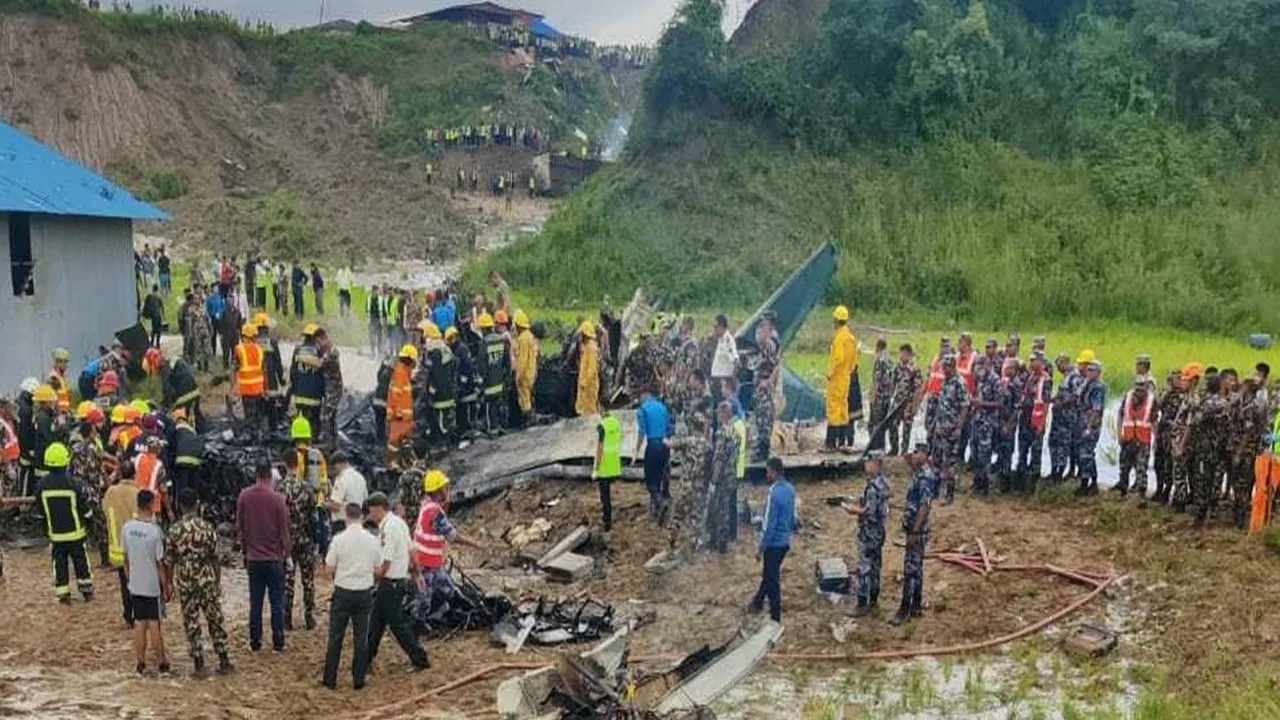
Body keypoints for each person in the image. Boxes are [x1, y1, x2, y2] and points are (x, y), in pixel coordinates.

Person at [166, 489, 232, 675]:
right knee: (215, 619)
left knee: (191, 621)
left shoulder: (174, 530)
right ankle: (224, 659)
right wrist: (217, 582)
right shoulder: (207, 528)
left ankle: (199, 662)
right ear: (196, 504)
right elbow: (215, 558)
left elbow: (169, 561)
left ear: (179, 506)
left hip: (186, 581)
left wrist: (169, 583)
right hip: (206, 579)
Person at [366, 491, 431, 672]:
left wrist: (371, 574)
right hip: (396, 581)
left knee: (397, 626)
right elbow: (412, 551)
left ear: (379, 509)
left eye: (372, 511)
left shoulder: (389, 529)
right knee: (376, 622)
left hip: (390, 582)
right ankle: (365, 660)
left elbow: (386, 562)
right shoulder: (399, 523)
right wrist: (417, 574)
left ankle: (420, 659)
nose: (371, 516)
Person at [322, 502, 380, 690]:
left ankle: (330, 679)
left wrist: (339, 574)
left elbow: (328, 568)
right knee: (361, 637)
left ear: (347, 517)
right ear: (362, 517)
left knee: (336, 636)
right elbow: (378, 569)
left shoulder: (339, 539)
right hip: (364, 592)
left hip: (343, 591)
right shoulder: (372, 540)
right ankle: (358, 679)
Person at [236, 460, 290, 653]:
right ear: (270, 476)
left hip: (254, 558)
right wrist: (287, 555)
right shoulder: (278, 499)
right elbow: (284, 532)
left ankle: (255, 642)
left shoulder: (244, 496)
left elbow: (240, 528)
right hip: (274, 559)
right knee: (277, 602)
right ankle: (278, 641)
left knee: (255, 602)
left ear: (256, 474)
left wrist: (245, 551)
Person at [37, 442, 94, 603]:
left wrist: (46, 531)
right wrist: (89, 523)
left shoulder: (41, 486)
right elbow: (84, 508)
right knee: (81, 562)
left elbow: (41, 513)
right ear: (65, 461)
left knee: (59, 565)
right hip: (76, 533)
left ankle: (63, 594)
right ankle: (86, 591)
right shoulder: (73, 483)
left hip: (56, 535)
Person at [122, 489, 170, 674]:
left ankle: (140, 662)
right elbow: (160, 564)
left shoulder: (127, 528)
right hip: (151, 587)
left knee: (139, 624)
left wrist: (129, 579)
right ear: (150, 505)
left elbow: (125, 559)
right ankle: (161, 663)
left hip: (135, 584)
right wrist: (166, 586)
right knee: (154, 624)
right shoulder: (154, 532)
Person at [748, 457, 797, 622]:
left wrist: (761, 548)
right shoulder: (790, 489)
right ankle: (758, 601)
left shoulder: (773, 493)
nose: (767, 474)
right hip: (785, 541)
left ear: (775, 472)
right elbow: (793, 517)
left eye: (768, 471)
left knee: (771, 579)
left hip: (774, 543)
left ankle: (776, 616)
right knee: (769, 573)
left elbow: (770, 524)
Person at [893, 445, 936, 626]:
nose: (914, 455)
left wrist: (914, 530)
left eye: (918, 452)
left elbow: (925, 506)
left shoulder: (925, 477)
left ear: (925, 455)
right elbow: (909, 461)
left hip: (917, 530)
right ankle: (916, 606)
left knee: (910, 569)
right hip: (915, 528)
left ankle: (905, 610)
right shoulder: (919, 472)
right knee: (916, 569)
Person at [843, 449, 890, 617]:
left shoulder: (873, 487)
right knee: (876, 566)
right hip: (879, 532)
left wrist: (852, 510)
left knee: (864, 567)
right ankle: (874, 601)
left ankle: (861, 604)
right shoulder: (882, 483)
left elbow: (868, 511)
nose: (865, 465)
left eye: (868, 462)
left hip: (869, 532)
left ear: (876, 464)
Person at [279, 448, 318, 632]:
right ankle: (309, 616)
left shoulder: (278, 488)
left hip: (286, 540)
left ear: (284, 464)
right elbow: (314, 516)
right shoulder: (306, 487)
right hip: (305, 538)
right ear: (298, 463)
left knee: (287, 578)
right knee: (308, 579)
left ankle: (286, 617)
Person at [927, 355, 969, 504]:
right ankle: (935, 491)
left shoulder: (959, 383)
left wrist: (959, 427)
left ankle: (949, 495)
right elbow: (941, 404)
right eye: (943, 367)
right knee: (936, 460)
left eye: (946, 367)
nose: (944, 370)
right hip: (940, 427)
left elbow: (964, 406)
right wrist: (934, 423)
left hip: (951, 429)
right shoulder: (946, 382)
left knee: (950, 462)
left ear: (952, 366)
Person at [104, 463, 140, 626]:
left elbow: (104, 510)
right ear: (134, 474)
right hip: (137, 547)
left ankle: (128, 616)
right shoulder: (138, 493)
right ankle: (140, 614)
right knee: (140, 583)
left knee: (125, 584)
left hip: (117, 548)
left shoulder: (111, 492)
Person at [707, 401, 741, 553]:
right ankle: (726, 540)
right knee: (727, 507)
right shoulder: (735, 432)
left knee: (719, 509)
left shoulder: (722, 434)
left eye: (719, 413)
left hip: (721, 477)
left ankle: (719, 542)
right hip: (732, 475)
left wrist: (713, 480)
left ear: (723, 414)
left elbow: (719, 459)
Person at [1116, 377, 1157, 499]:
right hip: (1127, 438)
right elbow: (1120, 415)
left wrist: (1156, 439)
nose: (1139, 389)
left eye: (1142, 386)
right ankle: (1123, 492)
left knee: (1141, 468)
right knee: (1124, 468)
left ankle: (1141, 495)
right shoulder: (1127, 397)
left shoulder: (1151, 400)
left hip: (1143, 439)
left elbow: (1154, 421)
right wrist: (1119, 434)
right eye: (1137, 386)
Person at [635, 387, 672, 519]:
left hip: (653, 445)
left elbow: (641, 432)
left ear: (643, 397)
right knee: (661, 475)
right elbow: (669, 428)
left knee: (650, 478)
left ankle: (659, 502)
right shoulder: (663, 407)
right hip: (665, 445)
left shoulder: (643, 409)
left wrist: (636, 451)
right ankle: (657, 506)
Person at [826, 306, 860, 449]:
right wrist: (848, 371)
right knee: (843, 409)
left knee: (834, 409)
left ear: (836, 320)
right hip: (846, 378)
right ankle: (842, 441)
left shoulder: (839, 338)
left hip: (837, 379)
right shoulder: (851, 338)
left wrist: (831, 374)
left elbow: (838, 359)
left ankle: (831, 442)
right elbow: (854, 362)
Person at [1017, 351, 1052, 489]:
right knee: (1022, 450)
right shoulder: (1030, 377)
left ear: (1041, 362)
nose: (1031, 363)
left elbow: (1047, 403)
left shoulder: (1046, 379)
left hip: (1036, 420)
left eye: (1034, 361)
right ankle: (1021, 482)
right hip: (1025, 418)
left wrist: (1043, 423)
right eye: (1030, 360)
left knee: (1036, 452)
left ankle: (1032, 485)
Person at [968, 355, 1001, 496]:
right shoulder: (980, 379)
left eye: (980, 365)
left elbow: (999, 403)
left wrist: (981, 404)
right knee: (974, 452)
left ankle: (985, 485)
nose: (978, 368)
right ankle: (977, 481)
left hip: (987, 423)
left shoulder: (995, 380)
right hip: (977, 420)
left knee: (984, 454)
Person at [1047, 353, 1082, 485]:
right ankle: (1055, 470)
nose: (1058, 368)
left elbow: (1075, 396)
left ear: (1066, 362)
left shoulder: (1074, 376)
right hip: (1059, 416)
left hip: (1067, 418)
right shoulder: (1066, 377)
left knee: (1063, 444)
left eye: (1059, 364)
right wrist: (1053, 399)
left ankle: (1060, 472)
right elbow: (1063, 394)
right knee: (1054, 443)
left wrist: (1061, 404)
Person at [1075, 359, 1107, 496]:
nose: (1089, 372)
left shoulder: (1098, 387)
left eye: (1092, 370)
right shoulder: (1086, 383)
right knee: (1084, 454)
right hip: (1082, 422)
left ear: (1098, 372)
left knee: (1086, 454)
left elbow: (1096, 409)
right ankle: (1090, 482)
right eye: (1088, 369)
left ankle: (1087, 483)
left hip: (1091, 424)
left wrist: (1089, 427)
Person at [886, 344, 922, 457]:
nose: (901, 356)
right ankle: (894, 448)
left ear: (908, 354)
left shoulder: (915, 368)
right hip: (898, 402)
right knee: (892, 424)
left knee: (907, 428)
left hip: (908, 402)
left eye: (903, 353)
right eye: (900, 353)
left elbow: (918, 389)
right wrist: (890, 398)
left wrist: (915, 406)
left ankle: (904, 451)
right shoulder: (898, 367)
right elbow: (893, 384)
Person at [386, 345, 418, 465]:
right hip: (399, 417)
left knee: (403, 441)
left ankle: (402, 462)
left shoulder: (404, 373)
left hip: (404, 418)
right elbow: (396, 394)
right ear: (409, 360)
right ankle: (393, 464)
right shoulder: (400, 373)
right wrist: (399, 413)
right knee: (395, 441)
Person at [290, 324, 325, 430]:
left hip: (300, 395)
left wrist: (294, 389)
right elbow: (324, 374)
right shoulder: (319, 351)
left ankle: (303, 440)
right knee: (314, 420)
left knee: (303, 420)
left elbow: (293, 372)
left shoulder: (298, 349)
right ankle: (313, 441)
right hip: (315, 396)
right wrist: (323, 392)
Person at [479, 313, 510, 433]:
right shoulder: (501, 339)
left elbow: (482, 364)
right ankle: (500, 425)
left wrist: (482, 380)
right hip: (500, 381)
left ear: (484, 329)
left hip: (489, 383)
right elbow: (506, 361)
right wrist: (506, 376)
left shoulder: (484, 343)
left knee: (489, 406)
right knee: (498, 404)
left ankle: (492, 428)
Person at [233, 323, 267, 432]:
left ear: (244, 336)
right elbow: (264, 370)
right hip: (258, 388)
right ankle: (258, 434)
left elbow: (235, 369)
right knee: (258, 415)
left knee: (249, 416)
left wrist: (234, 387)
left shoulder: (239, 349)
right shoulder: (260, 350)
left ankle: (250, 437)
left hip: (246, 389)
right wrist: (265, 389)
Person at [326, 451, 368, 537]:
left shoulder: (341, 479)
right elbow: (365, 500)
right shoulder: (360, 478)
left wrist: (323, 503)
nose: (334, 469)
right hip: (358, 522)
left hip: (342, 523)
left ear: (339, 464)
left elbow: (336, 506)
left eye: (334, 466)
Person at [316, 328, 345, 447]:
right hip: (330, 388)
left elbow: (319, 364)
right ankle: (334, 443)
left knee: (326, 416)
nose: (317, 345)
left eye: (318, 342)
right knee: (331, 417)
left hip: (334, 389)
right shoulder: (325, 349)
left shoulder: (330, 350)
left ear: (323, 338)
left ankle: (328, 443)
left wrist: (303, 359)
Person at [513, 310, 538, 427]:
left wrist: (518, 376)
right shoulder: (530, 335)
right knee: (529, 396)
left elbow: (522, 360)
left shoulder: (522, 339)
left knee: (524, 399)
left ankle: (529, 419)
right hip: (531, 372)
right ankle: (531, 417)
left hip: (524, 374)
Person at [868, 338, 894, 451]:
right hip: (887, 397)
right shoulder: (890, 360)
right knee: (883, 423)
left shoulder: (879, 360)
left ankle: (875, 446)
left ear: (878, 347)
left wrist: (872, 396)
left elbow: (876, 380)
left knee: (874, 423)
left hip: (879, 396)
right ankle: (882, 446)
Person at [709, 314, 739, 406]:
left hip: (723, 379)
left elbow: (736, 361)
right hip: (716, 380)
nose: (714, 329)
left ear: (721, 326)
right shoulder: (721, 340)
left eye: (716, 327)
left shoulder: (728, 340)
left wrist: (730, 382)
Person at [576, 321, 601, 416]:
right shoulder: (587, 346)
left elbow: (591, 369)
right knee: (584, 409)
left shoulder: (591, 348)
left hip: (588, 387)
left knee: (589, 411)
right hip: (585, 386)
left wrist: (585, 383)